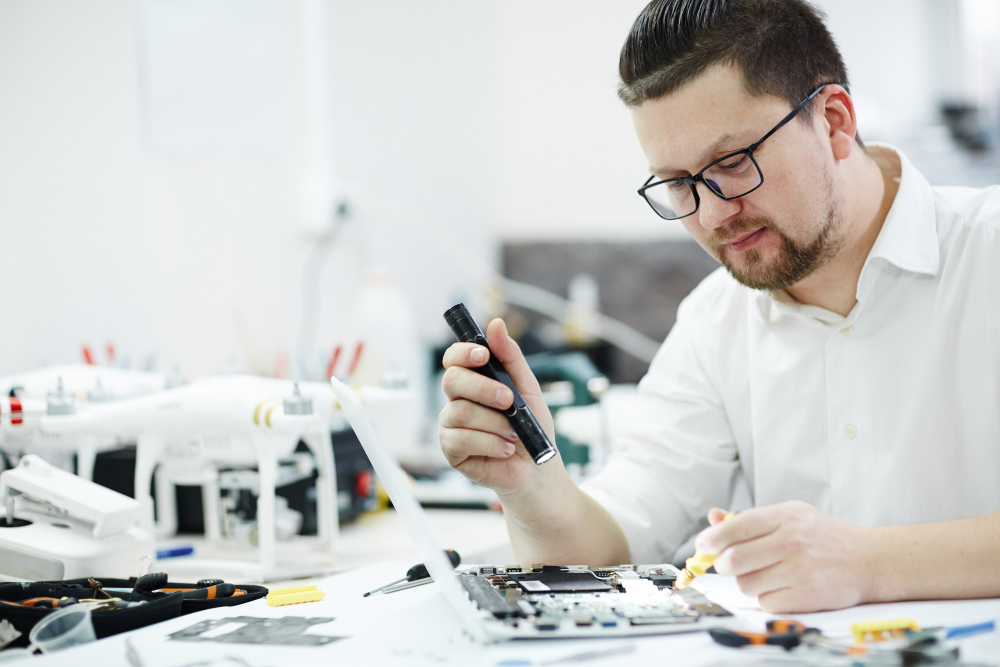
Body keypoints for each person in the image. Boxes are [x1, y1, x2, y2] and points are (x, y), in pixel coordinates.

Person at [438, 0, 1000, 613]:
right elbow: (608, 543)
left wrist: (867, 564)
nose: (711, 216)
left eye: (732, 164)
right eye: (678, 183)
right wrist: (531, 480)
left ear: (835, 123)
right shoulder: (714, 321)